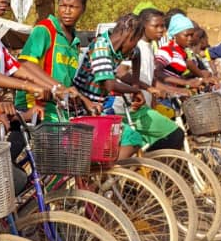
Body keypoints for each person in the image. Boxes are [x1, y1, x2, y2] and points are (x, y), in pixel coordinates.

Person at [70, 13, 184, 157]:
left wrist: (135, 85)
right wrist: (135, 90)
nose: (134, 46)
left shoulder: (118, 49)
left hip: (97, 109)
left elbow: (136, 54)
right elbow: (110, 84)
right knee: (132, 139)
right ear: (127, 35)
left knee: (130, 140)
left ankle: (115, 169)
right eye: (134, 42)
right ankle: (113, 171)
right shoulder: (101, 47)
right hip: (82, 110)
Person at [15, 0, 88, 121]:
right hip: (36, 107)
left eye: (73, 7)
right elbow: (26, 63)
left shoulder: (75, 42)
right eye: (63, 6)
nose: (67, 11)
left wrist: (84, 100)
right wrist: (59, 88)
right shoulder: (45, 30)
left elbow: (68, 82)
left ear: (83, 9)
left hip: (58, 109)